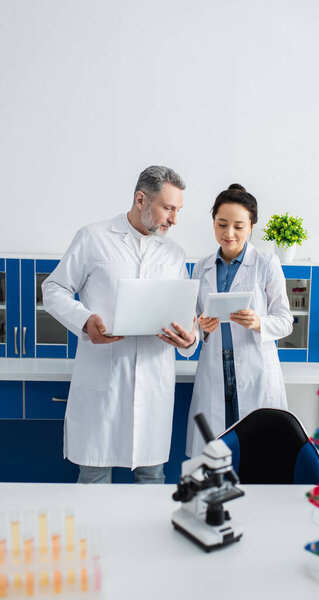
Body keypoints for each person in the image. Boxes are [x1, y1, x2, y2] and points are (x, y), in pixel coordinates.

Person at [42, 166, 198, 483]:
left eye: (178, 210)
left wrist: (188, 340)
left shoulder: (174, 254)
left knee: (151, 478)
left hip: (154, 383)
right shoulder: (93, 238)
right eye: (168, 208)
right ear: (141, 199)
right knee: (94, 479)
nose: (174, 220)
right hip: (104, 382)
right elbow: (53, 289)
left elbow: (186, 315)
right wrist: (85, 321)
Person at [186, 184, 293, 457]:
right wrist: (202, 328)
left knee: (257, 457)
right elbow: (193, 323)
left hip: (255, 373)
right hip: (215, 374)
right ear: (213, 224)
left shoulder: (267, 264)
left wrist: (258, 322)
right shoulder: (201, 267)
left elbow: (285, 321)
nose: (229, 233)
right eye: (222, 224)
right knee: (215, 459)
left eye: (238, 226)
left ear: (251, 227)